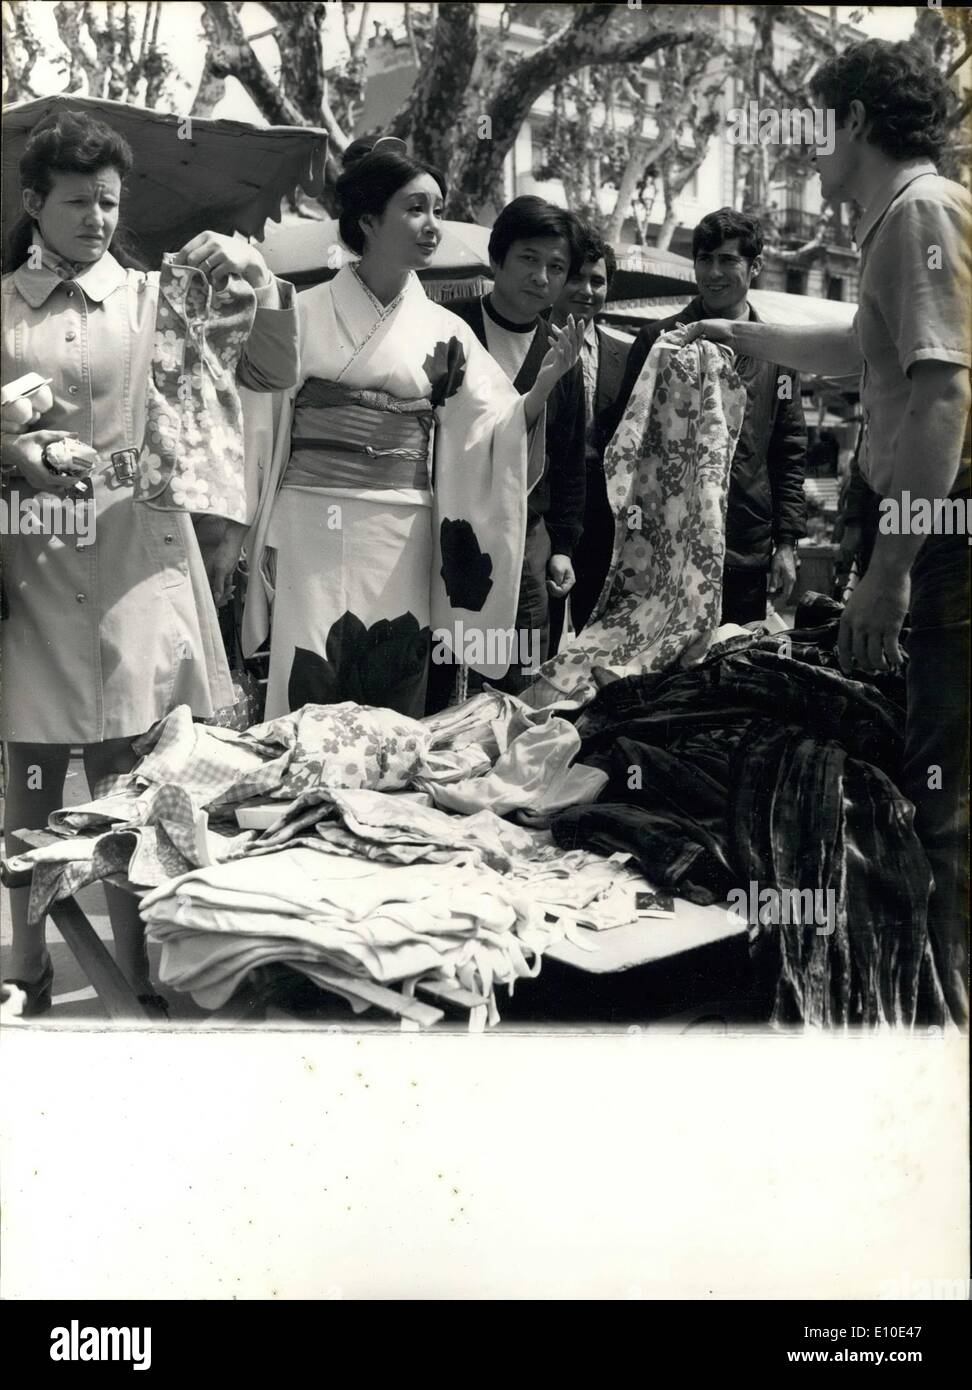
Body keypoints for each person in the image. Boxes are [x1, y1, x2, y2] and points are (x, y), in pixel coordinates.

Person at [672, 40, 971, 1022]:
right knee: (927, 774)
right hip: (929, 537)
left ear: (851, 121)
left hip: (944, 543)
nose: (809, 150)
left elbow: (940, 399)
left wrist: (889, 570)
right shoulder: (895, 220)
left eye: (814, 124)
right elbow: (858, 348)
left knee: (947, 800)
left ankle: (942, 1033)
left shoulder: (922, 212)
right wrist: (745, 338)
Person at [0, 110, 299, 1018]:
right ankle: (27, 965)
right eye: (78, 201)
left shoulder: (161, 296)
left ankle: (139, 967)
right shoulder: (2, 306)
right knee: (34, 770)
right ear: (33, 203)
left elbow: (272, 372)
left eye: (109, 202)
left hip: (141, 548)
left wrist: (264, 282)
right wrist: (16, 448)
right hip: (33, 547)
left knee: (140, 769)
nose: (96, 217)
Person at [242, 141, 583, 721]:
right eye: (416, 209)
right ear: (369, 220)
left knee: (394, 674)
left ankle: (376, 804)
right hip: (309, 519)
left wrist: (542, 389)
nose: (434, 226)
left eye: (438, 210)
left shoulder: (444, 329)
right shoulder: (301, 312)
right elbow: (260, 418)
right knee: (309, 671)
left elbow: (491, 427)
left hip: (403, 527)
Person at [603, 208, 808, 625]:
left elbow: (789, 452)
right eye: (705, 259)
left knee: (732, 666)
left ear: (756, 267)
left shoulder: (777, 353)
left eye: (728, 260)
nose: (714, 272)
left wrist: (786, 543)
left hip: (743, 545)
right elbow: (626, 440)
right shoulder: (658, 342)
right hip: (664, 548)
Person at [443, 196, 587, 693]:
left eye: (556, 267)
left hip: (527, 533)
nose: (541, 277)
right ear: (497, 257)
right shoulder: (450, 329)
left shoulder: (561, 353)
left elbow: (570, 460)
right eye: (528, 259)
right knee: (446, 658)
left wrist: (563, 546)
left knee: (519, 666)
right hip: (447, 521)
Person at [547, 224, 632, 648]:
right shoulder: (529, 344)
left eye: (597, 280)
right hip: (543, 510)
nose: (586, 289)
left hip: (603, 517)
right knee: (534, 638)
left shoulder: (628, 354)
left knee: (597, 638)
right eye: (575, 277)